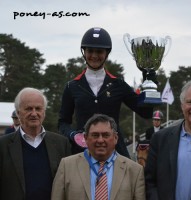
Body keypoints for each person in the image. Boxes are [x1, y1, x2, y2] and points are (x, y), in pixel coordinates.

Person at [58, 27, 154, 156]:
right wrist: (73, 134)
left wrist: (150, 84)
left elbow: (146, 112)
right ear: (84, 52)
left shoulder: (118, 84)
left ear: (106, 53)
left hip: (115, 152)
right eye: (90, 51)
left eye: (99, 51)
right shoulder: (72, 86)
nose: (94, 56)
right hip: (82, 151)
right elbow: (63, 123)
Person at [52, 113, 145, 200]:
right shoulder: (66, 166)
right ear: (85, 138)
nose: (100, 140)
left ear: (115, 138)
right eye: (95, 135)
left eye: (106, 135)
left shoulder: (135, 171)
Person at [0, 87, 71, 200]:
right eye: (28, 109)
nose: (34, 113)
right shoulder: (3, 145)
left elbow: (69, 184)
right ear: (18, 113)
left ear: (44, 113)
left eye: (38, 108)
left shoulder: (62, 144)